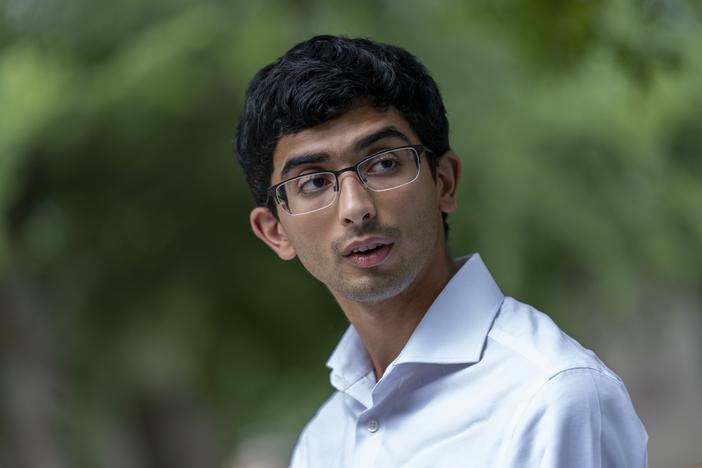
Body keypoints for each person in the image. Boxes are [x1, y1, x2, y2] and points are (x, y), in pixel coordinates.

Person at [235, 35, 648, 468]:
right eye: (314, 182)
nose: (356, 208)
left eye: (384, 163)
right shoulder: (322, 443)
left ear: (444, 183)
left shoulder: (550, 395)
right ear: (275, 232)